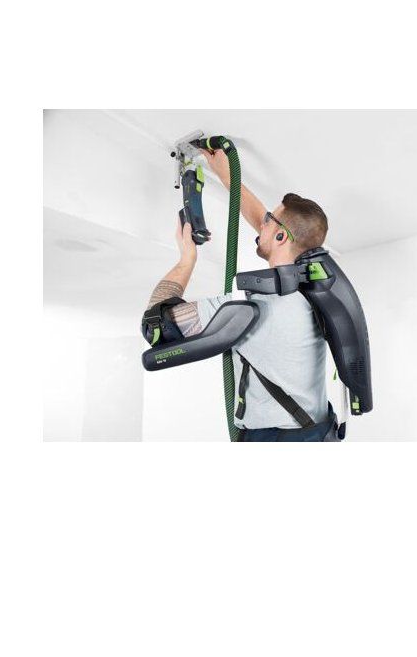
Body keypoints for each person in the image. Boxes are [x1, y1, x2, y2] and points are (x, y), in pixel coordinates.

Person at [143, 147, 334, 442]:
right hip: (316, 430)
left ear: (281, 236)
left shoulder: (255, 304)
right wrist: (226, 175)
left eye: (270, 220)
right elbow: (273, 232)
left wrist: (187, 259)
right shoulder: (314, 287)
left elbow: (154, 326)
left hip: (275, 440)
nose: (262, 222)